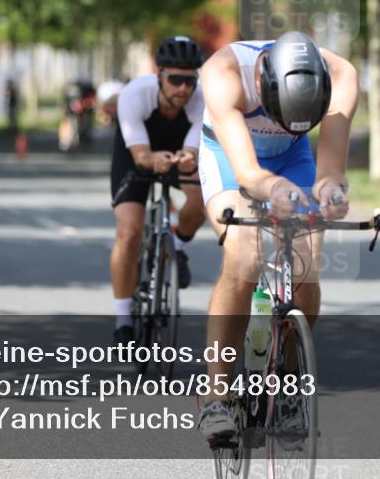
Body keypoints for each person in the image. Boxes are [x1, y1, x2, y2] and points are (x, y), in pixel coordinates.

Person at [195, 31, 357, 439]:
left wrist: (332, 193)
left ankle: (287, 380)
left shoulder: (341, 75)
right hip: (230, 157)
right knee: (244, 257)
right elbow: (249, 175)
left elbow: (331, 172)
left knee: (306, 268)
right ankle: (216, 397)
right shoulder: (223, 73)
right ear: (263, 84)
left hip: (291, 156)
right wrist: (275, 190)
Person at [109, 36, 206, 344]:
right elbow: (141, 156)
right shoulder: (134, 95)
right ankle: (124, 318)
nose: (183, 89)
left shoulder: (203, 100)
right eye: (175, 80)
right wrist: (153, 160)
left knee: (202, 200)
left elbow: (192, 154)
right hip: (136, 154)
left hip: (178, 152)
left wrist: (187, 158)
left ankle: (177, 248)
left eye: (190, 80)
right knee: (129, 233)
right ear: (159, 75)